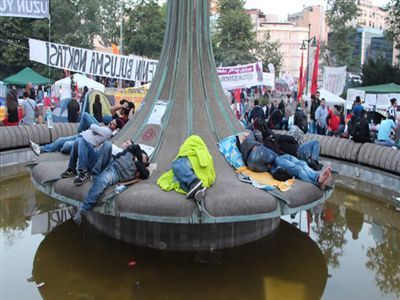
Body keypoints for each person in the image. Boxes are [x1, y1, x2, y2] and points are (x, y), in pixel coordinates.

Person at [72, 140, 150, 225]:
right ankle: (88, 172)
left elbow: (146, 174)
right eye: (143, 155)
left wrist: (137, 161)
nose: (143, 158)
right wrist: (138, 156)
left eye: (145, 158)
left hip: (114, 172)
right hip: (107, 162)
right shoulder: (130, 151)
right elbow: (135, 147)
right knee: (106, 144)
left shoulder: (141, 169)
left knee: (102, 181)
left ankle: (83, 210)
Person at [238, 132, 331, 189]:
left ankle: (318, 178)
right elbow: (255, 134)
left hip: (252, 162)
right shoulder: (251, 139)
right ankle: (317, 180)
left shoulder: (242, 150)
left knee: (298, 164)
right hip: (258, 152)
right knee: (297, 167)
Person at [157, 135, 215, 200]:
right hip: (201, 177)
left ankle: (194, 182)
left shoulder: (185, 159)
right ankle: (197, 190)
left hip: (194, 177)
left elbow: (179, 164)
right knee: (178, 178)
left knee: (176, 165)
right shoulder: (206, 157)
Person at [30, 118, 123, 156]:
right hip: (81, 135)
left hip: (84, 141)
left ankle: (50, 149)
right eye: (112, 122)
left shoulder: (107, 132)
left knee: (65, 145)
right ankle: (41, 149)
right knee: (61, 140)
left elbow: (93, 127)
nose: (111, 123)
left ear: (115, 128)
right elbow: (94, 128)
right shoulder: (105, 129)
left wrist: (96, 129)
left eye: (113, 124)